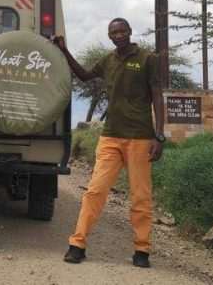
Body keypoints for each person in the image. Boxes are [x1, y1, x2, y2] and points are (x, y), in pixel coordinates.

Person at [52, 18, 165, 268]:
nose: (119, 35)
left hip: (140, 138)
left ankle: (142, 250)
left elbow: (157, 95)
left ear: (130, 32)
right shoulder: (108, 60)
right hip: (111, 136)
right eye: (114, 32)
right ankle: (77, 244)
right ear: (110, 36)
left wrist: (159, 135)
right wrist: (63, 50)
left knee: (140, 196)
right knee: (95, 191)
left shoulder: (147, 59)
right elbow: (83, 75)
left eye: (122, 30)